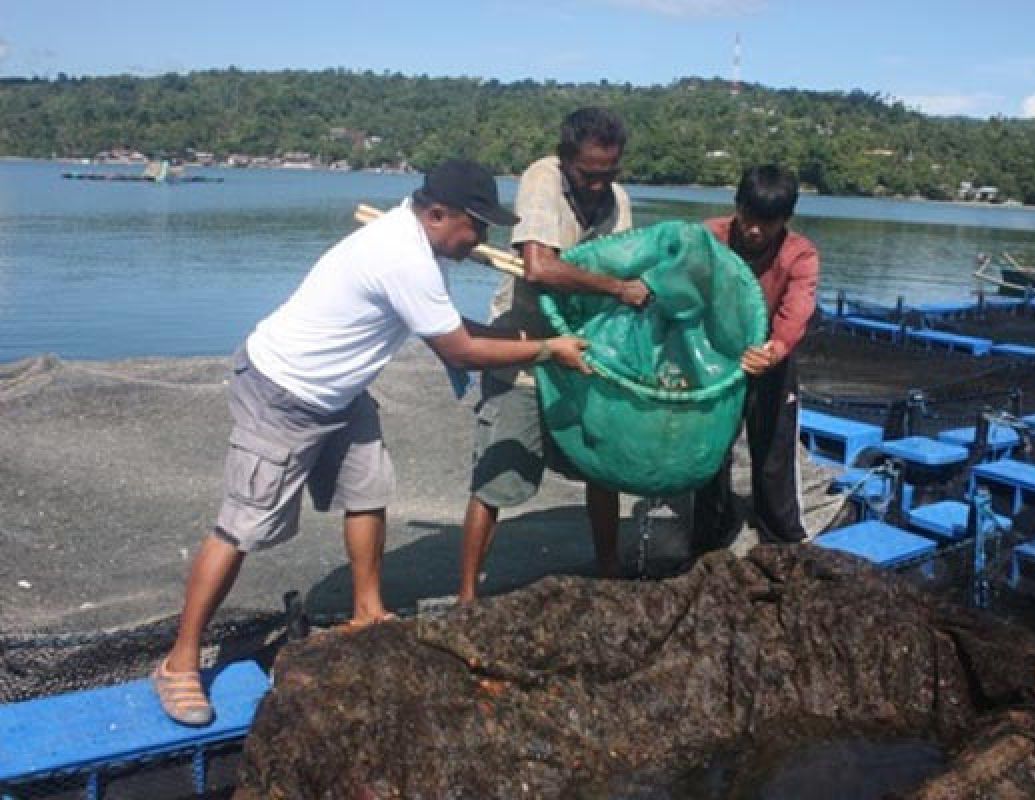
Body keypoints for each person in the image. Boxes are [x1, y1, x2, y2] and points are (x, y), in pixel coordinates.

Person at [154, 159, 591, 726]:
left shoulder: (417, 246)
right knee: (241, 527)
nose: (481, 239)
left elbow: (449, 326)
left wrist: (524, 337)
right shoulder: (402, 256)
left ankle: (368, 611)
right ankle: (179, 661)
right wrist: (545, 350)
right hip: (283, 391)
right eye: (475, 225)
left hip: (342, 393)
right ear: (437, 214)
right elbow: (457, 350)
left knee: (368, 489)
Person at [457, 107, 649, 604]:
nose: (597, 185)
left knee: (603, 465)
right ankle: (466, 596)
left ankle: (609, 570)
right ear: (567, 160)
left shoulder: (616, 200)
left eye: (609, 174)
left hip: (581, 348)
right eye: (589, 174)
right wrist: (616, 288)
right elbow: (539, 267)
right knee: (498, 470)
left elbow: (628, 260)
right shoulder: (543, 178)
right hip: (524, 347)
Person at [692, 165, 819, 552]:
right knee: (711, 448)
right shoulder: (707, 237)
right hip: (715, 355)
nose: (754, 231)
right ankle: (710, 530)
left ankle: (780, 536)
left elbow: (797, 311)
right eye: (749, 218)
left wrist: (774, 350)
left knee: (774, 452)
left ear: (786, 220)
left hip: (769, 356)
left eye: (768, 223)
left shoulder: (801, 254)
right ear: (737, 206)